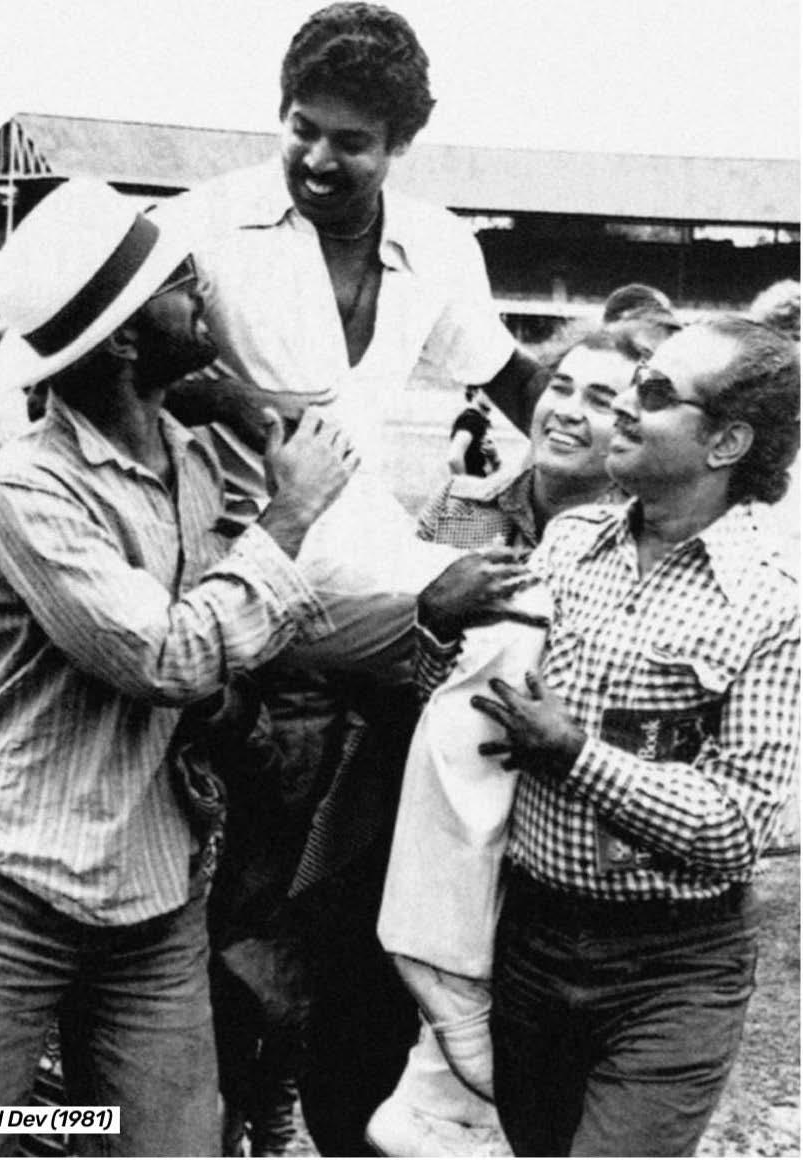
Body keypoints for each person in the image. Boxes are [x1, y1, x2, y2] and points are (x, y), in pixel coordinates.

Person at [160, 5, 537, 1152]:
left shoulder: (439, 245)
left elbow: (507, 374)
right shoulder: (203, 222)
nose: (319, 158)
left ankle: (424, 1020)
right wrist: (247, 407)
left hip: (362, 553)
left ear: (401, 143)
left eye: (352, 141)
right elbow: (119, 358)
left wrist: (593, 457)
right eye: (301, 128)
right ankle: (236, 1093)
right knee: (254, 857)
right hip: (234, 555)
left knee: (503, 645)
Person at [0, 177, 358, 1159]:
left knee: (168, 1145)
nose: (200, 285)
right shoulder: (27, 489)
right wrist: (292, 514)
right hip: (14, 888)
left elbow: (239, 616)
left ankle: (71, 1134)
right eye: (178, 280)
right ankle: (57, 1134)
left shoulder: (192, 457)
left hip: (155, 890)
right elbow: (167, 655)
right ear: (127, 336)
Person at [466, 316, 799, 1156]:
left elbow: (735, 827)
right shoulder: (570, 544)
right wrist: (438, 628)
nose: (623, 406)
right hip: (530, 942)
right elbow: (474, 705)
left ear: (726, 442)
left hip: (673, 967)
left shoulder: (776, 596)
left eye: (652, 393)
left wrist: (574, 755)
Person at [369, 327, 645, 1156]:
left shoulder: (645, 542)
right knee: (361, 1051)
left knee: (530, 1088)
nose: (568, 411)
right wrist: (434, 621)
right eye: (561, 386)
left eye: (603, 400)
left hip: (556, 840)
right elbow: (392, 676)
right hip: (422, 813)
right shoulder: (462, 507)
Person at [448, 386, 501, 477]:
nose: (493, 395)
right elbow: (454, 459)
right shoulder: (471, 420)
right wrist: (465, 483)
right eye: (488, 390)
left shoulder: (478, 420)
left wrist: (494, 459)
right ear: (474, 391)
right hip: (471, 484)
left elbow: (482, 470)